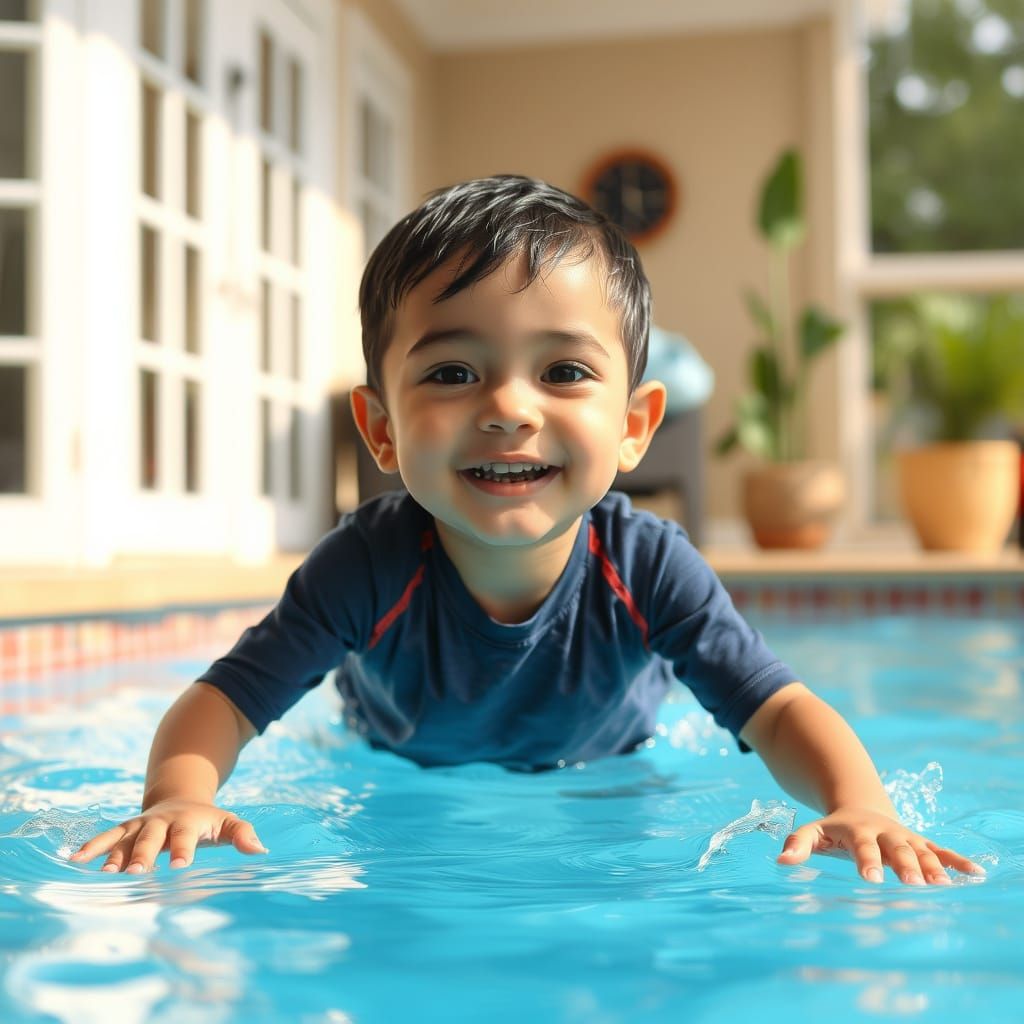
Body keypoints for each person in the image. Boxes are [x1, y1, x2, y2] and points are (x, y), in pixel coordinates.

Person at [72, 175, 982, 887]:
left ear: (634, 425)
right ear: (381, 429)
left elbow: (777, 708)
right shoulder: (363, 568)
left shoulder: (649, 567)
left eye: (563, 370)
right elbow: (226, 700)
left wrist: (861, 805)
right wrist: (180, 796)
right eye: (454, 370)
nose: (509, 408)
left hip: (608, 765)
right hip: (396, 761)